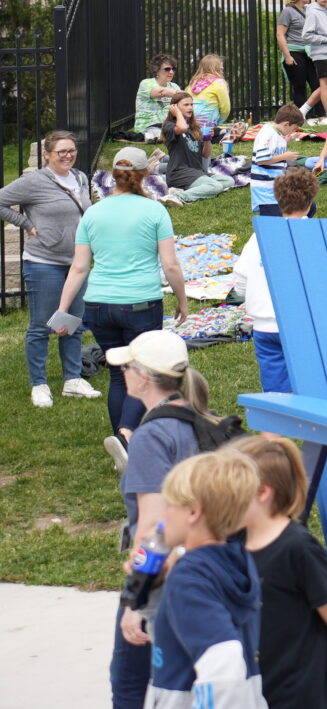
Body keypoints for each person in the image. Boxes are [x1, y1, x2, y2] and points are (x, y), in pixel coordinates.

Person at [108, 329, 219, 709]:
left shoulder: (152, 437)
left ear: (142, 377)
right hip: (208, 568)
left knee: (130, 687)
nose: (122, 373)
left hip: (163, 580)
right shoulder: (200, 419)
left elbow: (152, 530)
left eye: (127, 367)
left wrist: (134, 600)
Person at [53, 148, 185, 433]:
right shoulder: (154, 210)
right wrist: (182, 300)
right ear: (144, 174)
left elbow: (78, 268)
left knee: (117, 375)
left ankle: (121, 440)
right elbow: (170, 264)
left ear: (114, 174)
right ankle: (126, 436)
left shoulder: (93, 212)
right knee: (142, 372)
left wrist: (62, 310)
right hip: (140, 304)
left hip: (99, 305)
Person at [231, 436, 327, 709]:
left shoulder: (298, 548)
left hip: (304, 696)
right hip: (259, 692)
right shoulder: (236, 544)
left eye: (231, 488)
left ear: (262, 493)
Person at [139, 450, 265, 709]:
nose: (164, 517)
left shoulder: (189, 577)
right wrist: (157, 582)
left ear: (194, 512)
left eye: (170, 505)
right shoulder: (236, 560)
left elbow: (224, 668)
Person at [2, 129, 98, 408]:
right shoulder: (33, 181)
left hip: (77, 262)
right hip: (44, 262)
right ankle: (39, 384)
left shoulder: (79, 177)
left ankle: (72, 379)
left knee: (73, 322)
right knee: (42, 325)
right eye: (61, 152)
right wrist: (26, 225)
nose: (68, 156)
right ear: (47, 155)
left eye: (71, 150)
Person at [234, 166, 319, 394]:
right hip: (304, 324)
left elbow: (240, 280)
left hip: (264, 326)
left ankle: (277, 426)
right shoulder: (317, 235)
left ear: (278, 200)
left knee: (276, 395)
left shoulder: (258, 236)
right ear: (311, 201)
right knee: (312, 386)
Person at [248, 104, 307, 216]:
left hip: (274, 189)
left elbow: (273, 149)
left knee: (306, 207)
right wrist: (285, 156)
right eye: (293, 128)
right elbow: (261, 160)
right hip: (265, 191)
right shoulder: (268, 133)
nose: (293, 131)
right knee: (274, 221)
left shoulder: (276, 133)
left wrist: (287, 140)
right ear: (286, 124)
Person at [276, 0, 317, 110]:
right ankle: (301, 116)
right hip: (294, 51)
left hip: (309, 52)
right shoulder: (287, 11)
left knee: (317, 83)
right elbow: (280, 34)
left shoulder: (308, 10)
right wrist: (287, 56)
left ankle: (321, 116)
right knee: (299, 86)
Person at [133, 54, 181, 140]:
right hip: (148, 126)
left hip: (167, 126)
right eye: (167, 69)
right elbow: (161, 92)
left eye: (173, 69)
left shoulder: (175, 86)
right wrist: (181, 95)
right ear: (157, 70)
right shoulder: (146, 83)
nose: (171, 72)